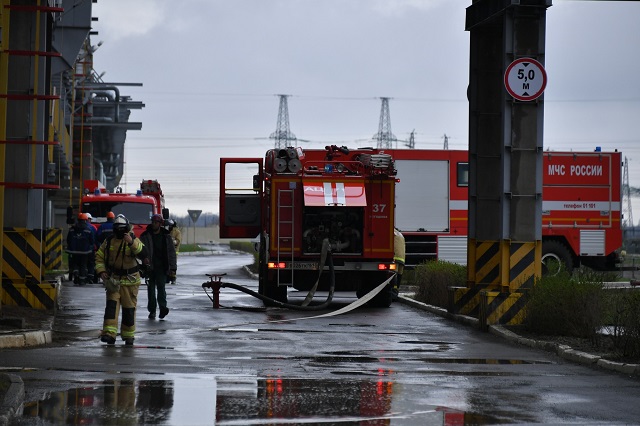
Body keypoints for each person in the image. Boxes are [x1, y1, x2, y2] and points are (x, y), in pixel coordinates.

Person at [96, 214, 146, 345]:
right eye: (117, 228)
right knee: (111, 308)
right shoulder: (109, 241)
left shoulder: (133, 239)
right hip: (114, 281)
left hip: (130, 282)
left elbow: (144, 254)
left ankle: (128, 335)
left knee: (129, 310)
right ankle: (109, 334)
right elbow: (99, 256)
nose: (119, 231)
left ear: (127, 228)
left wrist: (131, 242)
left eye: (122, 228)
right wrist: (101, 271)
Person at [140, 214, 177, 320]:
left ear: (160, 224)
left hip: (162, 267)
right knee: (151, 290)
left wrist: (173, 267)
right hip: (149, 267)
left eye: (156, 222)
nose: (154, 224)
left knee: (161, 287)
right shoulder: (145, 236)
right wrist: (143, 262)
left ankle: (163, 308)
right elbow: (139, 250)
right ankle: (152, 310)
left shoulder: (166, 236)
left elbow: (171, 252)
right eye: (153, 222)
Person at [66, 213, 95, 285]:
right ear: (86, 220)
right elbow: (92, 241)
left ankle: (76, 274)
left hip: (74, 251)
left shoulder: (72, 229)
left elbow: (68, 239)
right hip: (85, 252)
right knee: (83, 265)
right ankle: (82, 280)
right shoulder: (88, 229)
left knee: (75, 263)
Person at [85, 213, 99, 283]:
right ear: (89, 219)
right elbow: (96, 239)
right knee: (91, 263)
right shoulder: (93, 227)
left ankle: (82, 276)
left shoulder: (75, 227)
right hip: (91, 249)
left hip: (80, 250)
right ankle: (90, 277)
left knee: (82, 263)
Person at [166, 219, 181, 284]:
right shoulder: (167, 231)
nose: (169, 226)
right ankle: (167, 277)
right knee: (166, 264)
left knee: (173, 265)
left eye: (170, 225)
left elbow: (178, 241)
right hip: (167, 250)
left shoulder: (177, 232)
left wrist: (172, 241)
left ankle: (173, 277)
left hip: (174, 251)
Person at [392, 227, 406, 300]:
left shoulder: (392, 233)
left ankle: (393, 292)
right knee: (399, 275)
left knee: (394, 274)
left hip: (396, 257)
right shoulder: (400, 234)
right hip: (402, 258)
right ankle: (396, 290)